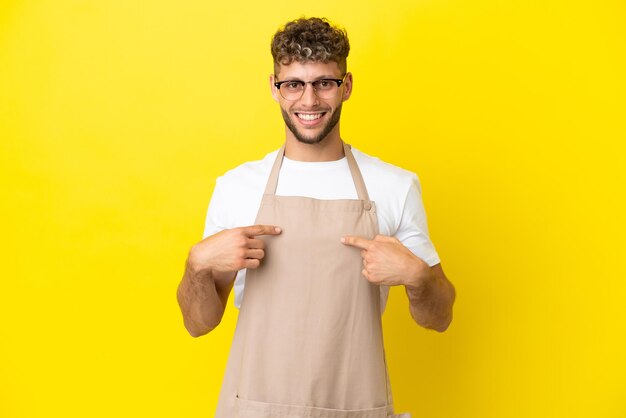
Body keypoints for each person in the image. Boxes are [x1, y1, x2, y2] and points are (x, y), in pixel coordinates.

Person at [176, 17, 456, 418]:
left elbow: (440, 318)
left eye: (324, 82)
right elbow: (198, 323)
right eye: (294, 84)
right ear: (274, 88)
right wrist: (197, 264)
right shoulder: (237, 187)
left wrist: (418, 275)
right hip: (256, 408)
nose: (309, 101)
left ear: (347, 86)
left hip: (355, 407)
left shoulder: (394, 185)